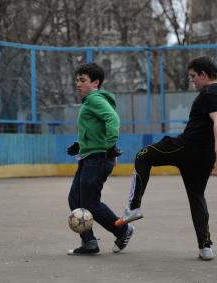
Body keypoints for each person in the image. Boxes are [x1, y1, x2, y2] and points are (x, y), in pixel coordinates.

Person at [115, 56, 217, 260]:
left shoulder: (210, 91)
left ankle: (133, 207)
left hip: (188, 147)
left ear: (204, 75)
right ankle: (205, 247)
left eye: (194, 76)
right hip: (203, 157)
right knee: (197, 197)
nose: (192, 81)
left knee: (143, 156)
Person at [67, 62, 134, 255]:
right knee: (75, 198)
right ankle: (89, 242)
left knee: (90, 204)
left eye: (83, 80)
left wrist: (111, 145)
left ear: (95, 82)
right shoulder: (90, 101)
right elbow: (95, 130)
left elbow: (113, 119)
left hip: (98, 159)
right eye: (77, 80)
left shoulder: (95, 99)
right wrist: (81, 144)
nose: (78, 84)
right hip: (90, 157)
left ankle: (122, 229)